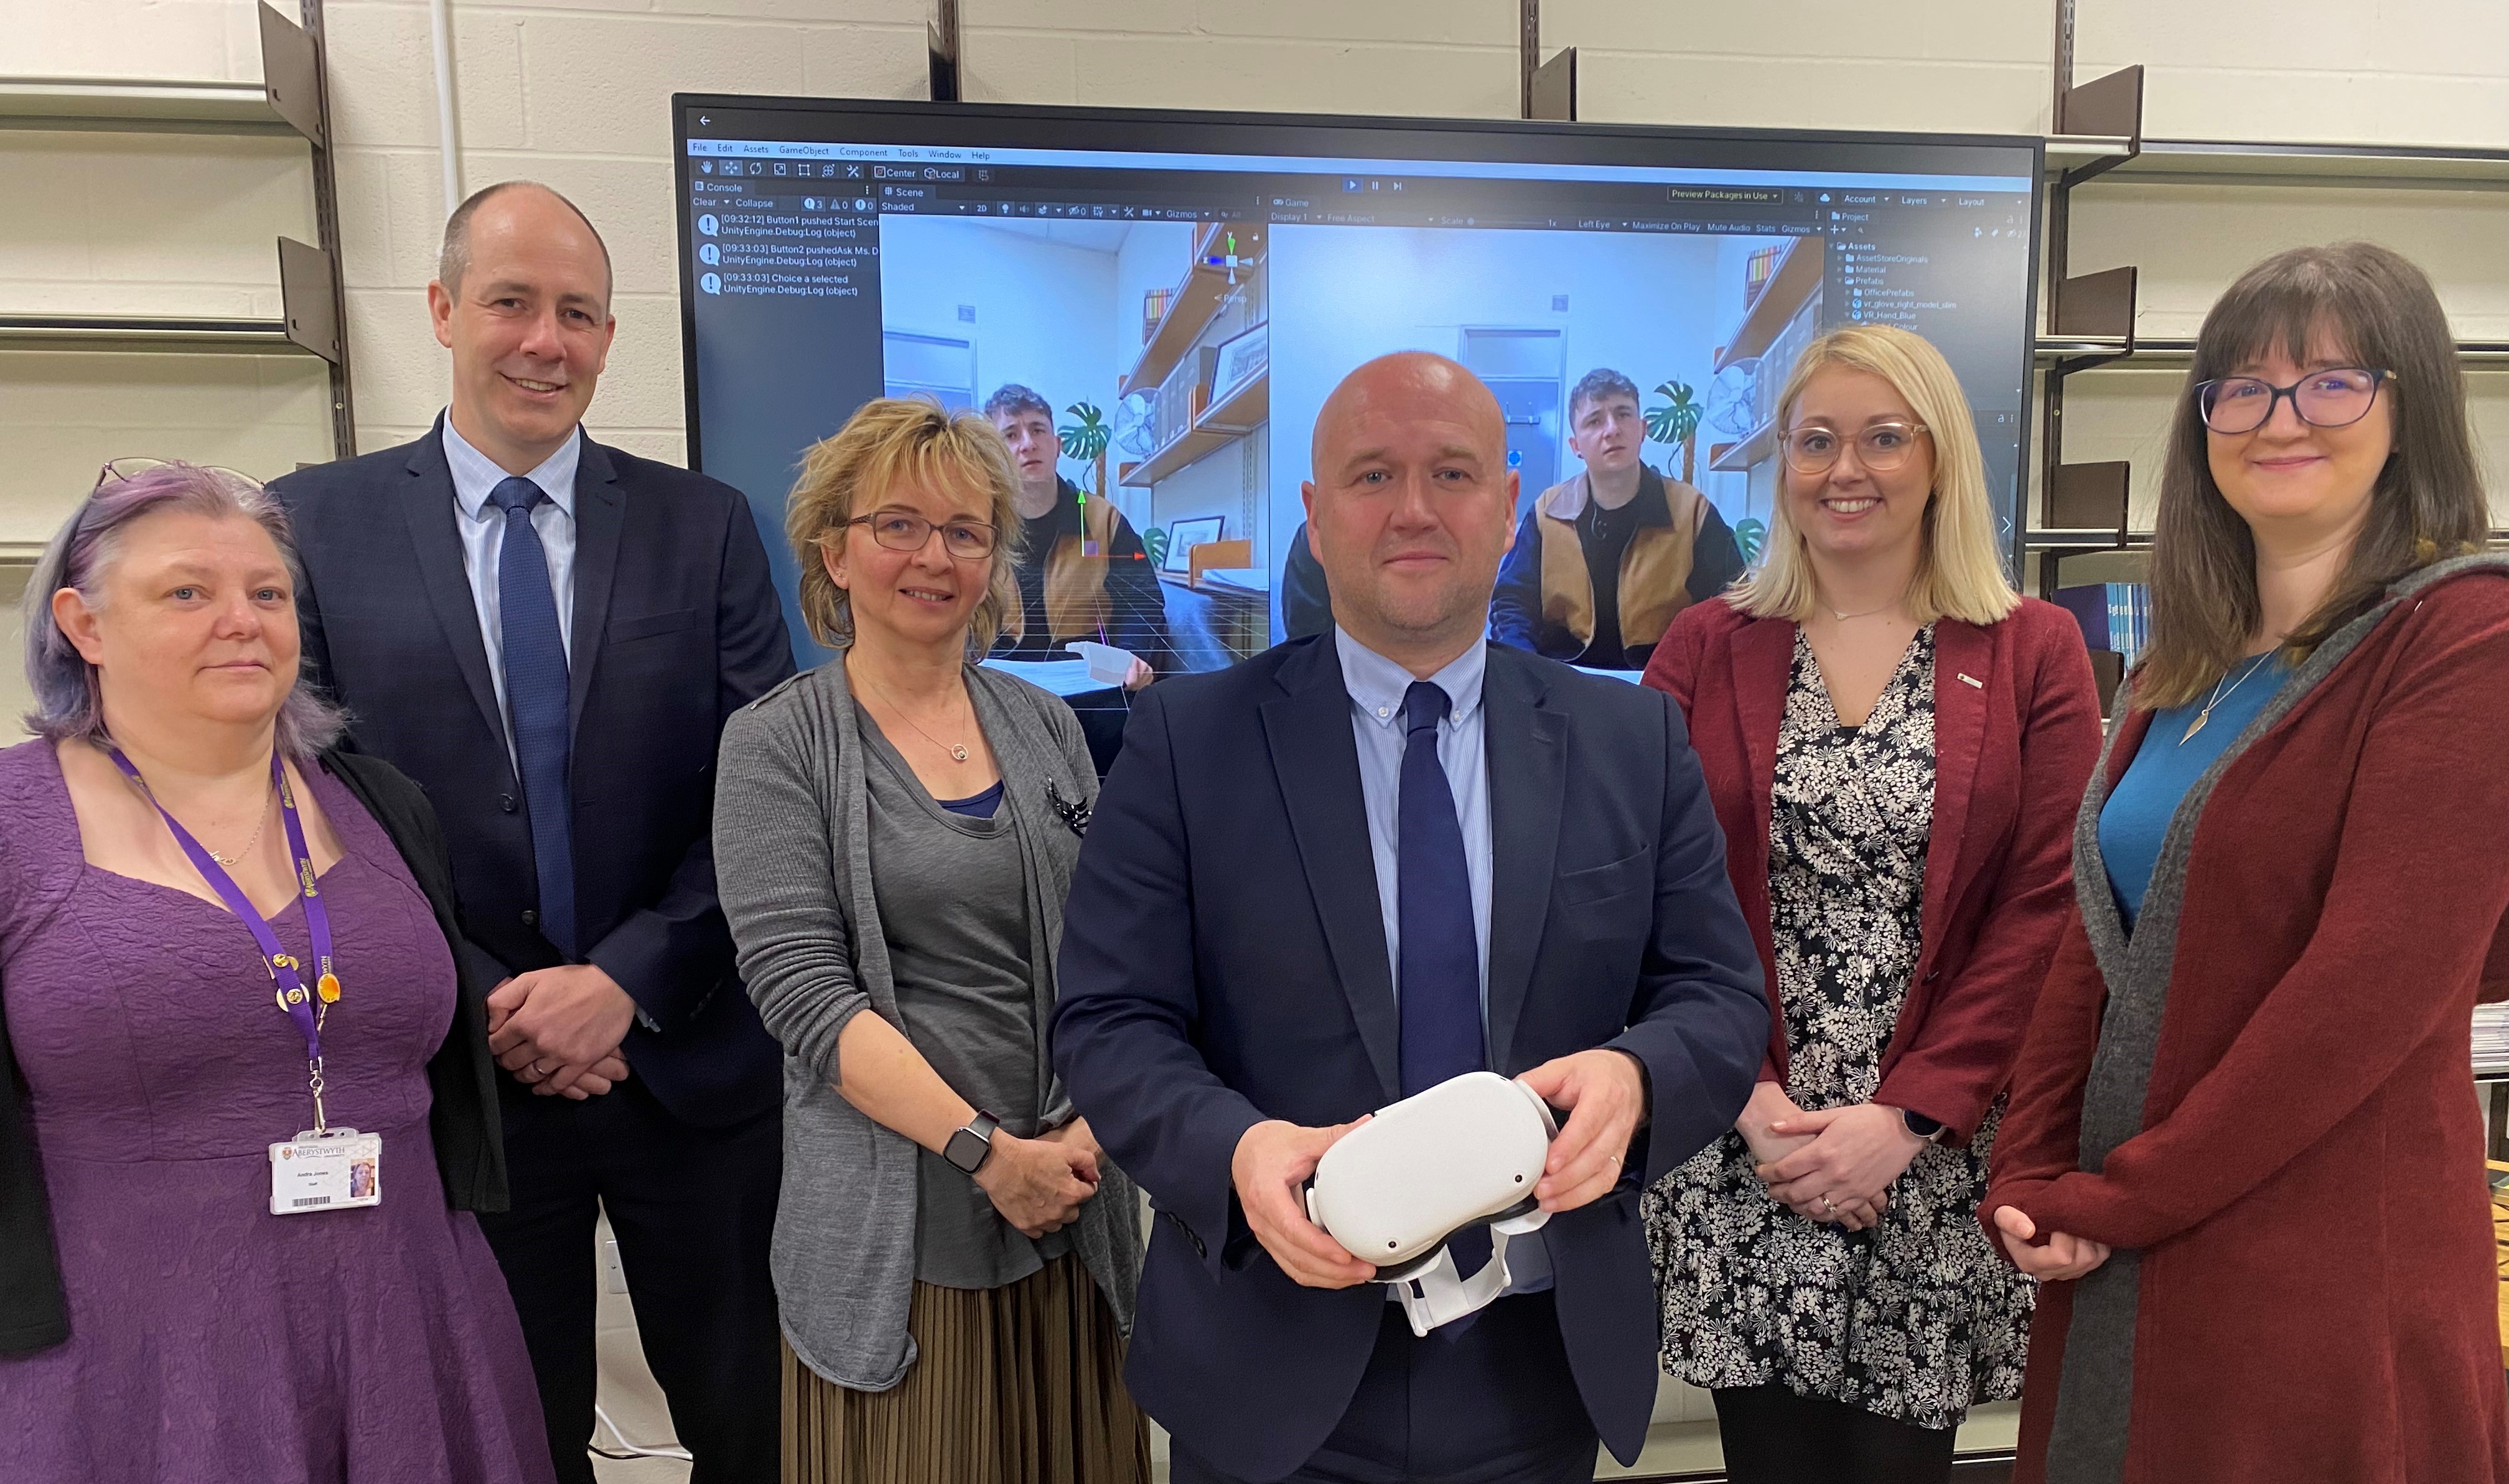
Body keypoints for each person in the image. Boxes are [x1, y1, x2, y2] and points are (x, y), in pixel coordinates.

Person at [1052, 351, 1770, 1484]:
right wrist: (1234, 1151)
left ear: (1505, 506)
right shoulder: (1190, 746)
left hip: (1535, 1368)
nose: (1414, 510)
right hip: (1269, 1370)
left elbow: (1717, 999)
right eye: (1372, 474)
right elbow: (1109, 1020)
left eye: (1452, 472)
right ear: (1316, 514)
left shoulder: (1633, 743)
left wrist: (1636, 1082)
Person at [268, 182, 795, 1484]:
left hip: (689, 1058)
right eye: (511, 301)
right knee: (510, 1422)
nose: (542, 340)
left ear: (611, 337)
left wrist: (625, 980)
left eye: (576, 312)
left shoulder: (706, 523)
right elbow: (304, 806)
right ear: (444, 310)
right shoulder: (310, 524)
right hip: (465, 1071)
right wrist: (497, 1000)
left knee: (752, 1414)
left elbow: (762, 788)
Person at [1984, 241, 2509, 1484]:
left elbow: (2366, 993)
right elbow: (2091, 936)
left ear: (2411, 405)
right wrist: (2028, 1160)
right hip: (2133, 1234)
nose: (2280, 418)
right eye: (2243, 386)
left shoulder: (2466, 636)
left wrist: (2120, 1195)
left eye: (2332, 382)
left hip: (2319, 1261)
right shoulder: (2187, 655)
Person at [0, 462, 563, 1482]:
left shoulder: (381, 803)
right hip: (128, 1354)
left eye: (266, 593)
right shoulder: (10, 825)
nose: (242, 620)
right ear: (84, 625)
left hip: (410, 1313)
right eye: (188, 592)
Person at [1640, 324, 2102, 1483]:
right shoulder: (1706, 643)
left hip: (1931, 1150)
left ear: (1937, 459)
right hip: (1751, 1134)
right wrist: (1741, 1094)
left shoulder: (2033, 648)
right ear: (1779, 464)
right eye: (1815, 440)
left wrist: (1902, 1122)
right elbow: (1637, 878)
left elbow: (2048, 906)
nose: (1846, 468)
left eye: (1883, 438)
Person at [713, 397, 1146, 1483]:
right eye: (897, 524)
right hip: (903, 1252)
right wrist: (988, 1156)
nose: (934, 556)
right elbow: (803, 994)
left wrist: (1096, 1123)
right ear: (834, 551)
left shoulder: (1043, 725)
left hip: (1070, 1215)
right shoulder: (776, 744)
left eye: (964, 531)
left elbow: (1109, 953)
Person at [1491, 368, 1746, 671]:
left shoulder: (1692, 510)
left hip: (1659, 683)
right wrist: (1524, 670)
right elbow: (1512, 602)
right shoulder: (1547, 511)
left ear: (1642, 430)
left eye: (1623, 414)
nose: (1611, 429)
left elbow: (1732, 605)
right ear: (1576, 447)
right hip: (1562, 679)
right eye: (1595, 420)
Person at [986, 383, 1166, 686]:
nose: (1028, 444)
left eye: (1038, 430)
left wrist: (1132, 656)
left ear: (1057, 445)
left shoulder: (1103, 519)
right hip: (1004, 690)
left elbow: (1142, 600)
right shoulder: (979, 528)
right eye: (1011, 435)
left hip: (1091, 687)